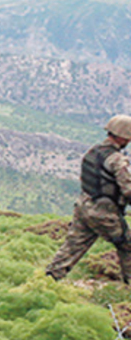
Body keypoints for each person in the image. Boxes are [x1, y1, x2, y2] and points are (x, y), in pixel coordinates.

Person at [46, 115, 131, 283]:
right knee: (128, 246)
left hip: (84, 207)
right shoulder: (117, 160)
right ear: (123, 136)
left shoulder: (94, 151)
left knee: (71, 248)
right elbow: (128, 190)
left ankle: (46, 281)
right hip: (103, 213)